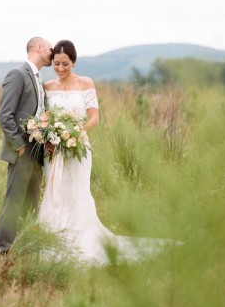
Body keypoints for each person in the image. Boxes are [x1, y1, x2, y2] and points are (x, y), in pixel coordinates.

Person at [39, 40, 173, 265]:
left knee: (77, 191)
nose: (60, 69)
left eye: (65, 64)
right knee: (56, 191)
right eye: (56, 64)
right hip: (53, 151)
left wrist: (73, 134)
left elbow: (94, 118)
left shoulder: (85, 83)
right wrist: (51, 136)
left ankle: (78, 238)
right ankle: (53, 236)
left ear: (74, 62)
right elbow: (45, 117)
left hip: (78, 147)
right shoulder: (48, 87)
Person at [0, 36, 54, 255]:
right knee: (14, 201)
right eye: (50, 48)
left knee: (32, 202)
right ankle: (4, 250)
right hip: (22, 151)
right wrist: (19, 146)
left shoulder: (39, 78)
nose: (53, 52)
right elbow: (5, 115)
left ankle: (27, 246)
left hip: (36, 152)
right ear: (38, 48)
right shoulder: (18, 74)